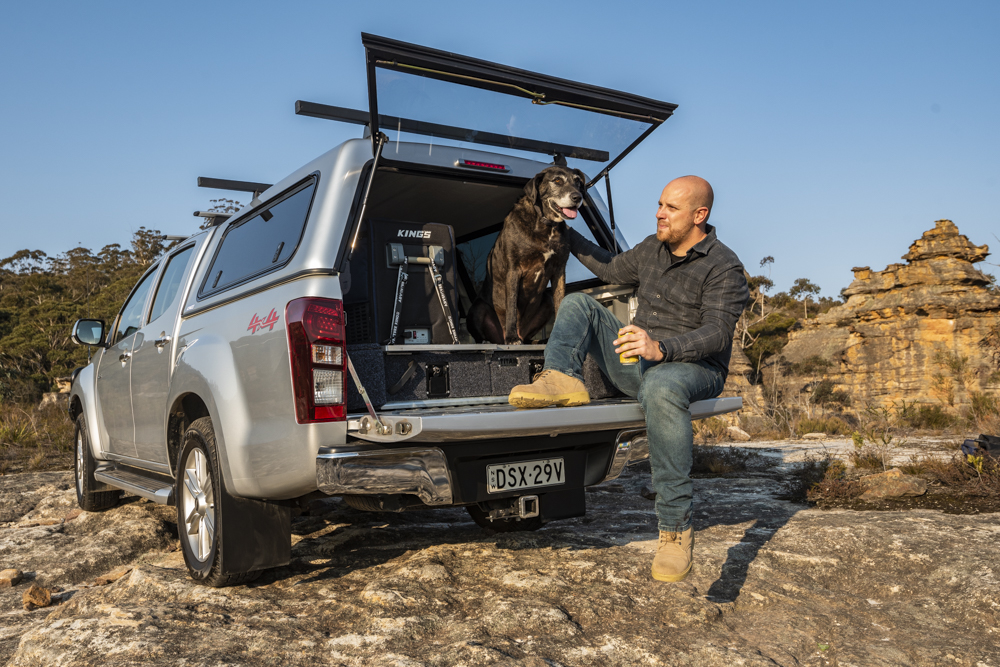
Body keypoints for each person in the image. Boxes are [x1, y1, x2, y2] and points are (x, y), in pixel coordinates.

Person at [508, 175, 749, 582]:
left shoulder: (724, 266)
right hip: (638, 360)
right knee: (578, 302)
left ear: (699, 215)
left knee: (661, 384)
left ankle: (675, 530)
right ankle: (560, 377)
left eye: (670, 208)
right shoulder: (654, 248)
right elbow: (610, 266)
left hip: (693, 369)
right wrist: (567, 225)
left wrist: (662, 349)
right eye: (660, 204)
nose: (659, 213)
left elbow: (717, 333)